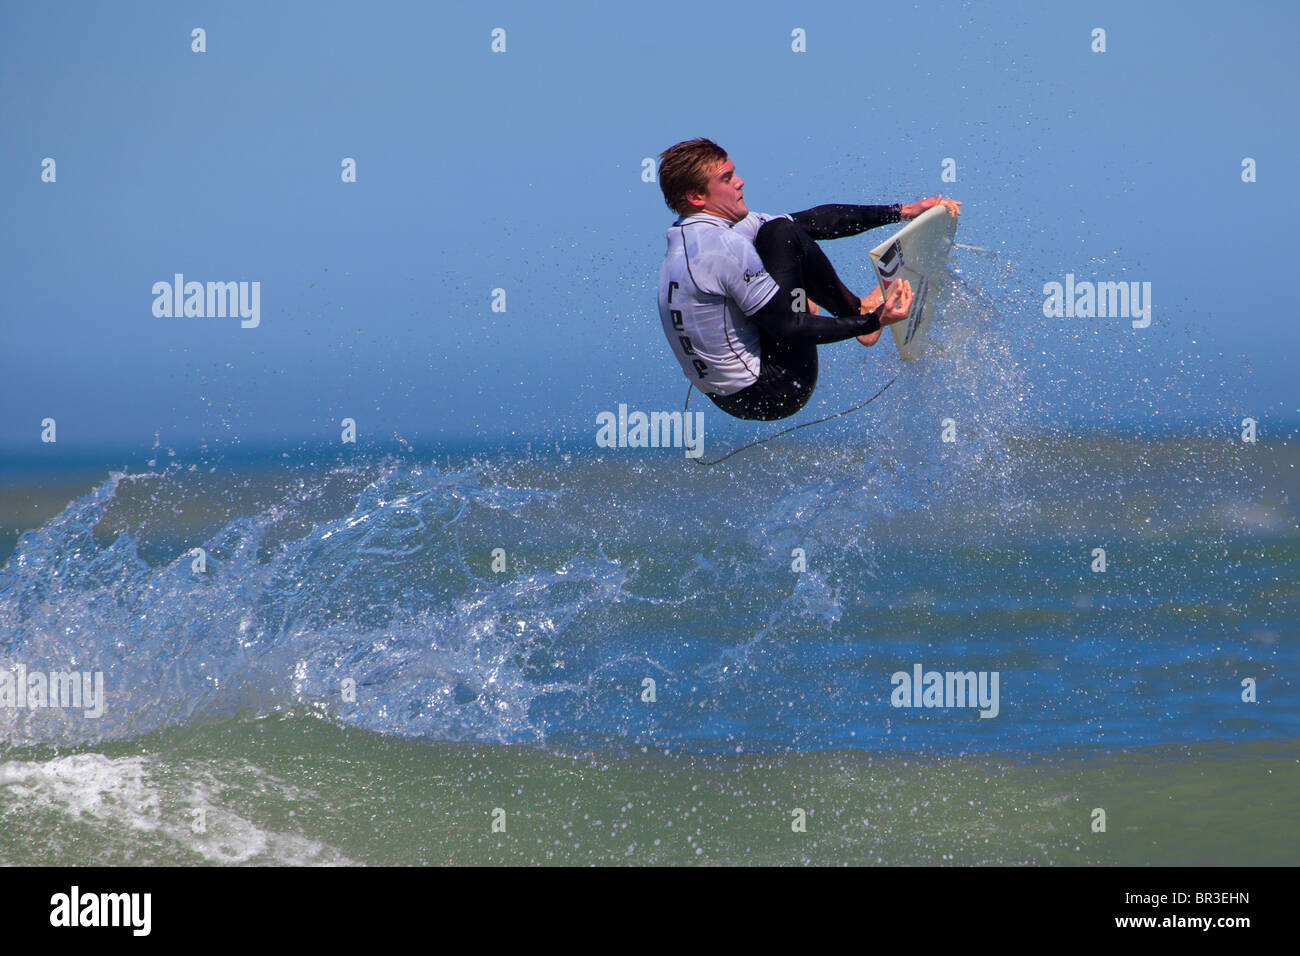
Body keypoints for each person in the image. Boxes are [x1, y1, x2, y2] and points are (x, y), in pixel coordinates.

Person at [656, 137, 960, 421]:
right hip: (775, 390)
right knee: (782, 235)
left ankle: (830, 306)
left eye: (734, 173)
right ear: (696, 196)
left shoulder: (688, 239)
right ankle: (860, 312)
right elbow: (790, 328)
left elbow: (815, 221)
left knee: (779, 232)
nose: (740, 181)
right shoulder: (724, 248)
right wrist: (875, 321)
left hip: (722, 396)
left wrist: (902, 211)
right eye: (726, 178)